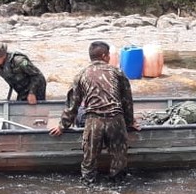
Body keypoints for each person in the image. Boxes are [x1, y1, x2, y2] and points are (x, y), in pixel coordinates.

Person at [49, 41, 139, 184]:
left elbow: (73, 104)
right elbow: (127, 100)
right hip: (115, 119)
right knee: (119, 158)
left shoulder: (81, 75)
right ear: (104, 56)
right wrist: (130, 122)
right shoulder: (117, 72)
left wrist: (62, 126)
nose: (109, 57)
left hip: (94, 121)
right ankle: (118, 186)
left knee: (89, 160)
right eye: (108, 55)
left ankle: (89, 187)